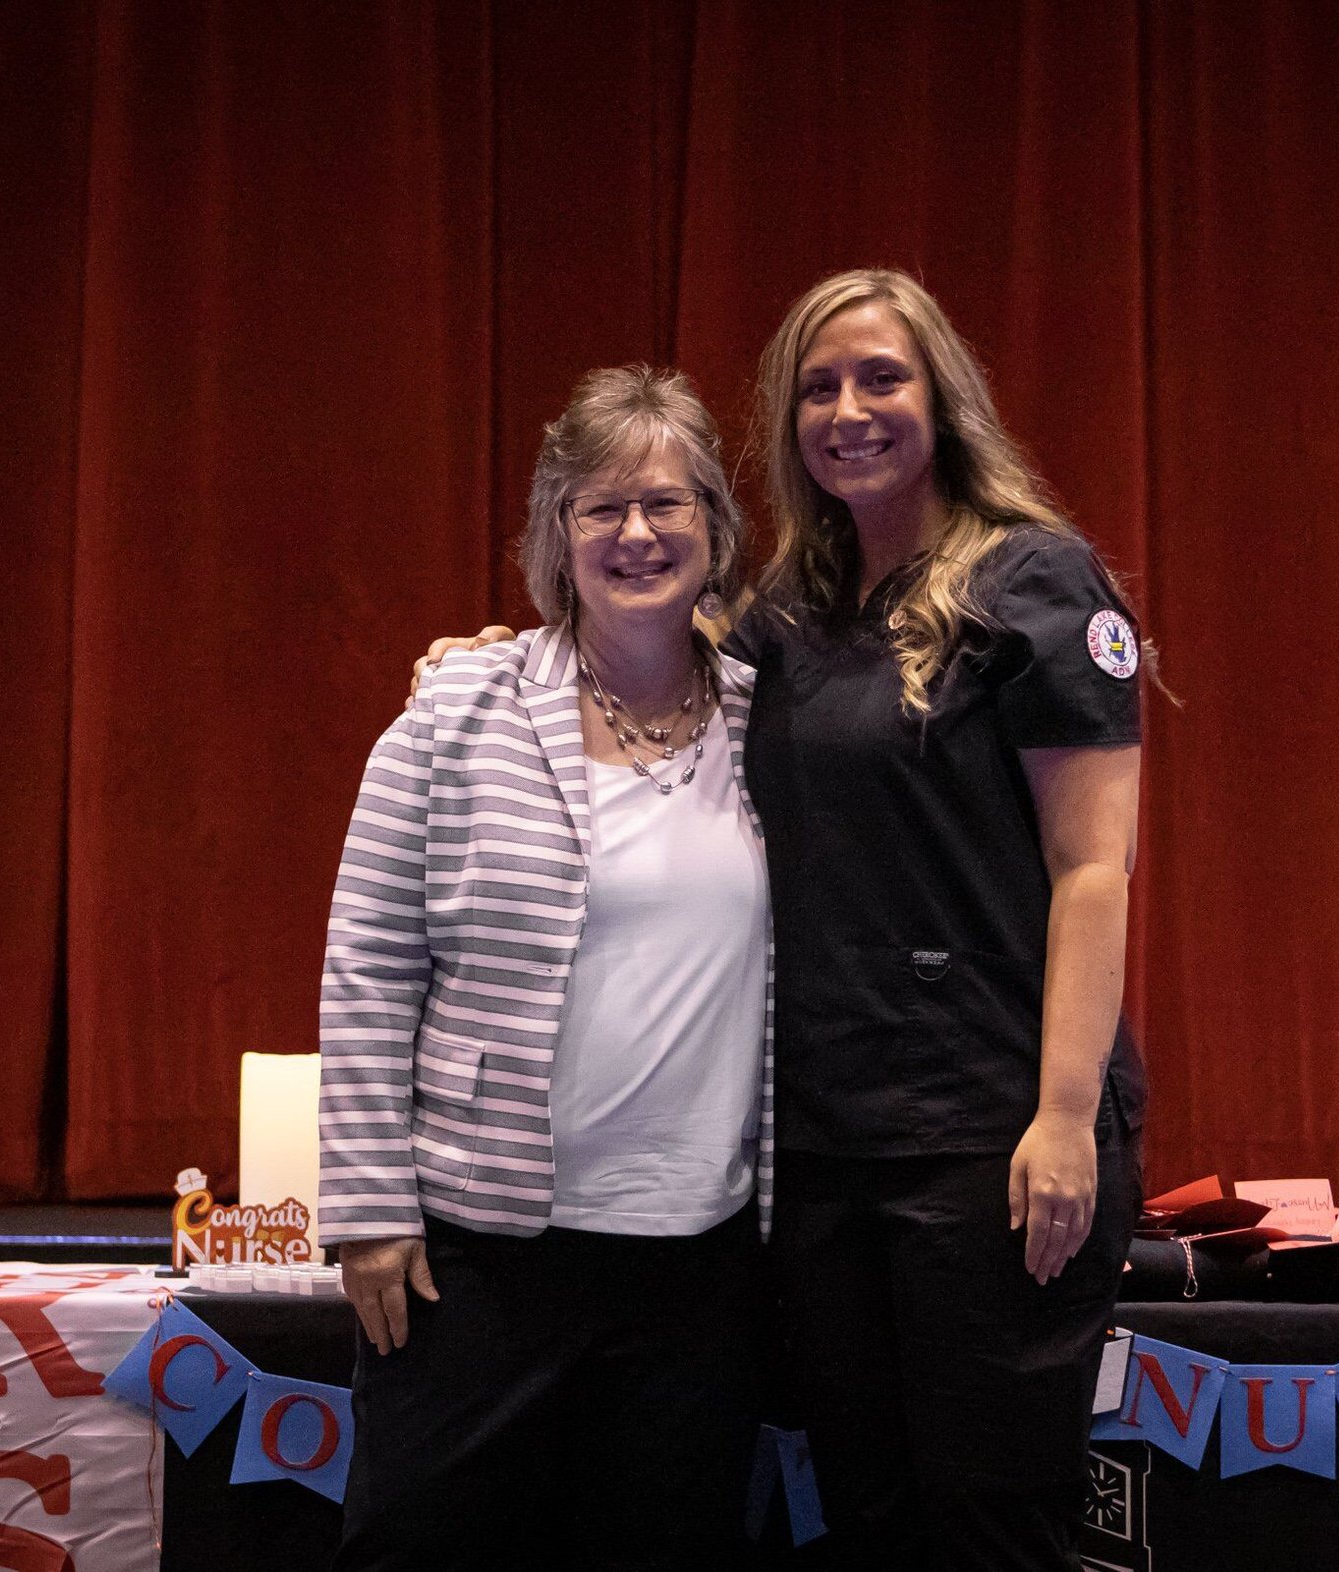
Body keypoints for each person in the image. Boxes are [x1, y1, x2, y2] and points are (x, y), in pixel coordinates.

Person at [417, 267, 1147, 1570]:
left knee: (991, 1523)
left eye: (881, 377)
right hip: (815, 1155)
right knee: (859, 1514)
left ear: (943, 398)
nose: (849, 409)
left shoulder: (1035, 582)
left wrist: (1063, 1114)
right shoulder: (786, 616)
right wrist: (494, 662)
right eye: (818, 386)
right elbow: (634, 660)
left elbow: (1094, 868)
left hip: (987, 1137)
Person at [319, 365, 773, 1572]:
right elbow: (368, 961)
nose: (637, 535)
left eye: (669, 504)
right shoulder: (460, 707)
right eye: (601, 508)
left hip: (702, 1263)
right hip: (478, 1257)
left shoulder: (771, 722)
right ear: (555, 535)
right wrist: (366, 1211)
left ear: (715, 532)